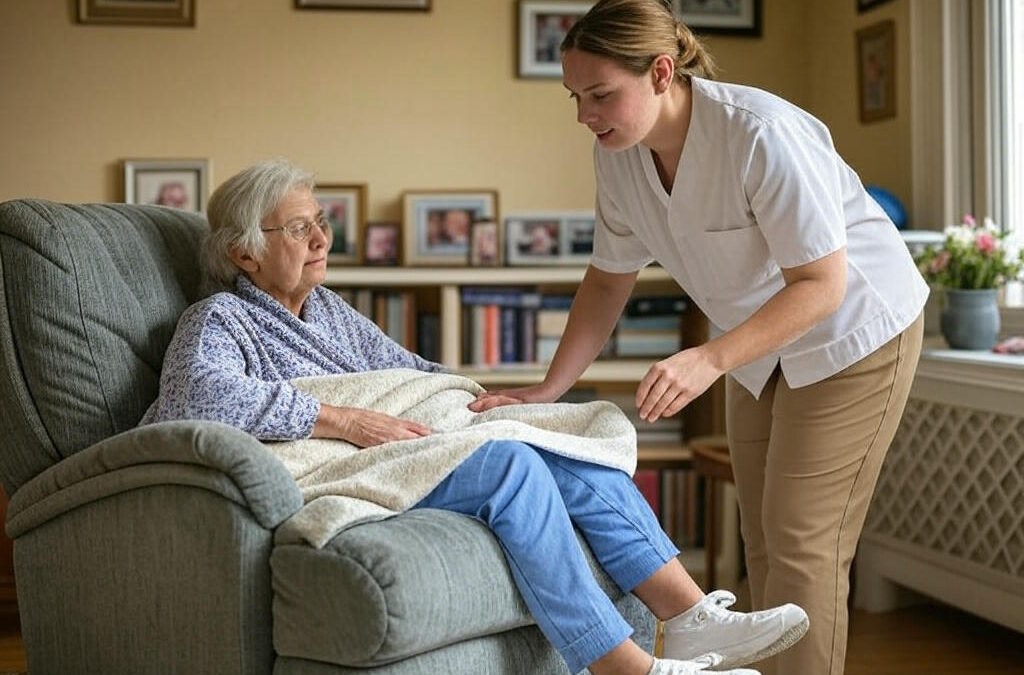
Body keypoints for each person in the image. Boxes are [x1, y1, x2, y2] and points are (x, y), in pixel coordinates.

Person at [141, 159, 808, 675]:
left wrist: (485, 401)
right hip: (340, 464)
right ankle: (617, 662)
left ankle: (688, 613)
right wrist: (346, 420)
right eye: (299, 227)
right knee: (510, 464)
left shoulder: (329, 310)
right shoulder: (218, 318)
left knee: (558, 442)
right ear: (243, 253)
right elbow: (195, 398)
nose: (322, 237)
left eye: (322, 220)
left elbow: (409, 375)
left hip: (396, 446)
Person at [469, 2, 927, 674]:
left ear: (660, 72)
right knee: (762, 541)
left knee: (804, 543)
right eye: (576, 97)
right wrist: (548, 387)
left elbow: (822, 284)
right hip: (757, 344)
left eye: (600, 95)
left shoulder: (760, 133)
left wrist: (709, 357)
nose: (585, 116)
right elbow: (606, 281)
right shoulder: (620, 158)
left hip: (853, 331)